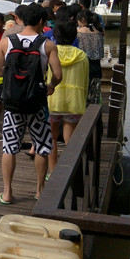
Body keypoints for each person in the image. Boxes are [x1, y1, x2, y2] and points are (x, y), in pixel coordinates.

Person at [0, 3, 62, 203]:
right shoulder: (47, 44)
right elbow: (58, 74)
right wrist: (51, 85)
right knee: (41, 145)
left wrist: (11, 79)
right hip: (37, 103)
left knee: (9, 147)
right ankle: (39, 191)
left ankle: (7, 192)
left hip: (13, 103)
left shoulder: (7, 42)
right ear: (41, 21)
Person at [46, 20, 88, 175]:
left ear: (55, 35)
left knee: (52, 138)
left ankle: (52, 171)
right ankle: (70, 171)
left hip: (52, 100)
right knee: (70, 139)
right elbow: (85, 80)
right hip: (74, 102)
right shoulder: (82, 55)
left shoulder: (51, 52)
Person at [77, 9, 105, 105]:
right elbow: (101, 54)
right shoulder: (99, 33)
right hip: (96, 67)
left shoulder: (78, 33)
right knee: (94, 95)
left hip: (83, 67)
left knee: (83, 94)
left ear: (83, 19)